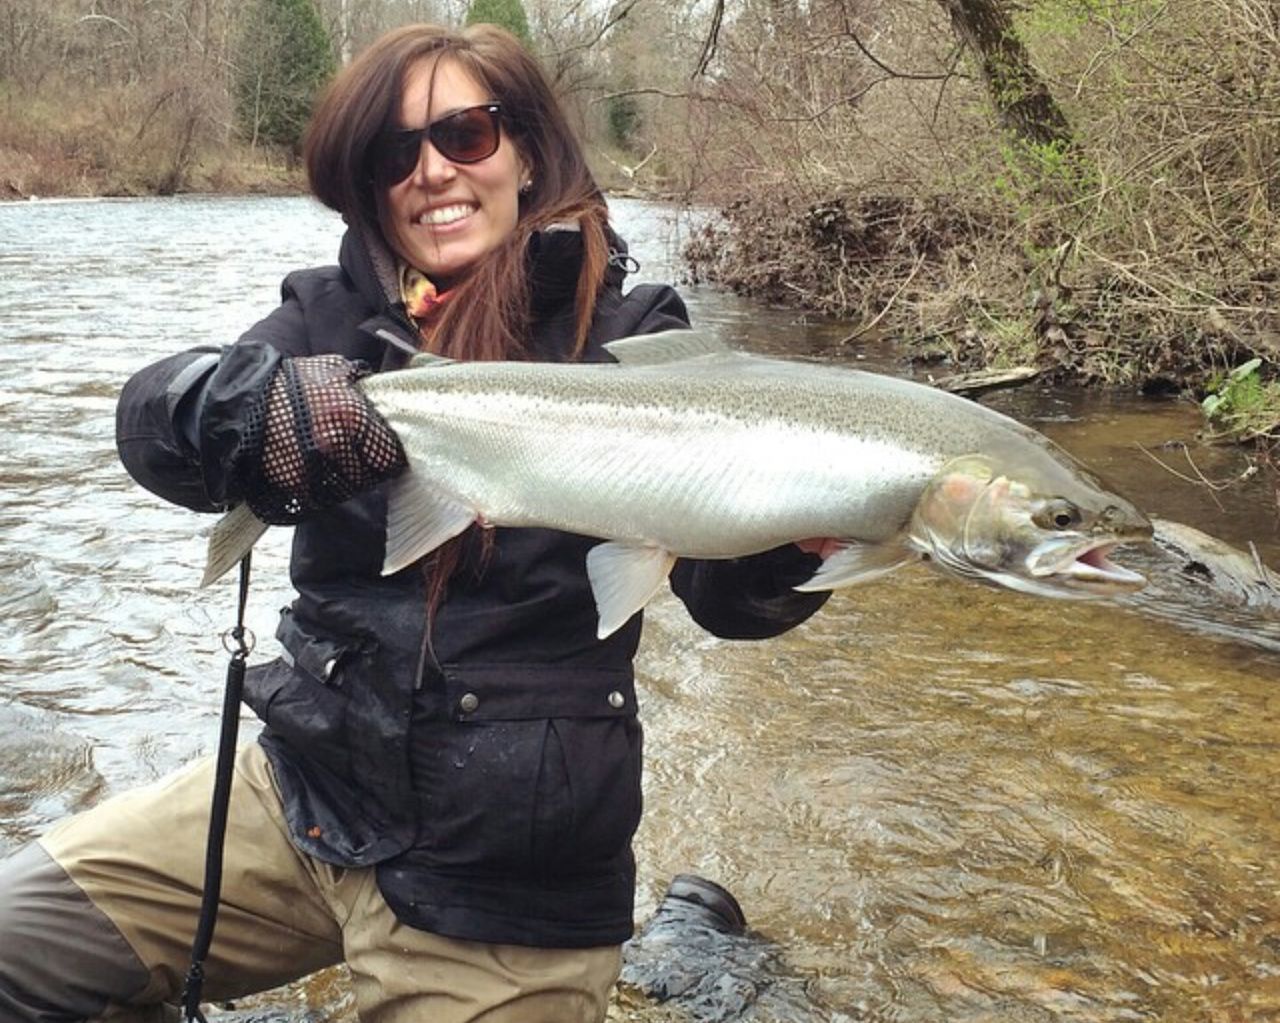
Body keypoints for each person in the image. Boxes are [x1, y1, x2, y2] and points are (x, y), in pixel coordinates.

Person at [0, 22, 828, 1023]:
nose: (432, 171)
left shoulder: (631, 337)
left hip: (505, 871)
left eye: (464, 135)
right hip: (303, 800)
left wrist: (793, 546)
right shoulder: (331, 316)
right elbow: (153, 426)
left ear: (523, 151)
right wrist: (233, 407)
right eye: (396, 153)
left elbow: (720, 595)